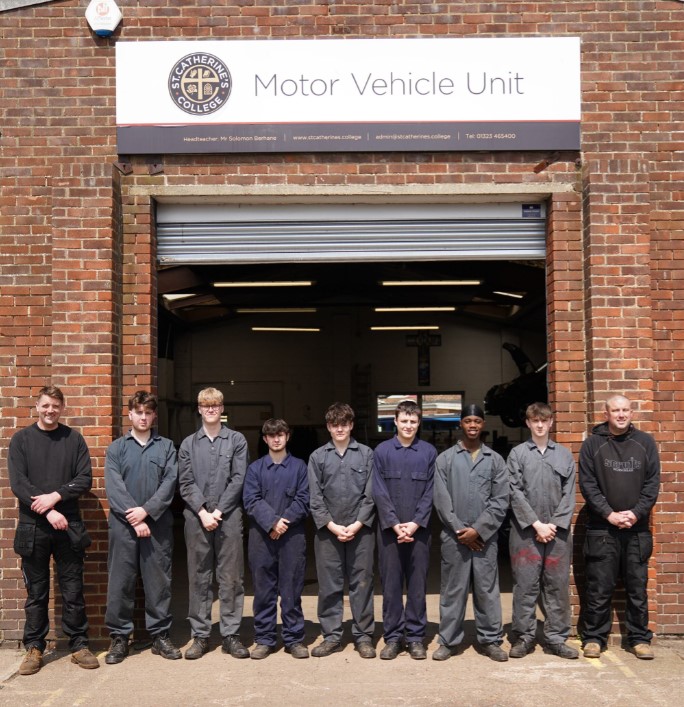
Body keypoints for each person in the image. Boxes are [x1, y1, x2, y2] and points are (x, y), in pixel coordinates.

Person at [8, 385, 100, 675]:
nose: (50, 411)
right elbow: (18, 484)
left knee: (73, 589)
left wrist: (56, 497)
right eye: (46, 405)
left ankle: (78, 645)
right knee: (36, 592)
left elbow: (84, 478)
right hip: (33, 526)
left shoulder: (73, 439)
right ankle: (35, 648)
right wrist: (48, 510)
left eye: (56, 406)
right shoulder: (21, 440)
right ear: (37, 406)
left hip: (68, 525)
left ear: (62, 408)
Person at [578, 394, 660, 660]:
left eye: (625, 410)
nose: (621, 414)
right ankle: (593, 638)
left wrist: (635, 514)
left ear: (632, 413)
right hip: (602, 530)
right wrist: (609, 514)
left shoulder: (646, 443)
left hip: (637, 530)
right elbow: (588, 485)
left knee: (637, 588)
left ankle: (639, 639)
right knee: (599, 587)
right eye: (616, 410)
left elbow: (652, 484)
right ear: (606, 414)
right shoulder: (592, 445)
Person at [103, 391, 181, 664]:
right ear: (130, 414)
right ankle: (120, 637)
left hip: (157, 526)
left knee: (159, 582)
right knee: (120, 581)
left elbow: (170, 484)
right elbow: (114, 488)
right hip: (123, 527)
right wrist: (135, 518)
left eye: (148, 413)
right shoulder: (116, 449)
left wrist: (147, 512)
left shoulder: (167, 447)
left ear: (154, 415)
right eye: (139, 412)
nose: (144, 417)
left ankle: (160, 635)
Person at [432, 404, 509, 662]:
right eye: (468, 421)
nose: (472, 425)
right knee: (453, 590)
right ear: (461, 424)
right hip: (454, 538)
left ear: (483, 424)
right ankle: (449, 640)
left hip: (485, 539)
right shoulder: (445, 459)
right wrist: (460, 530)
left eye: (477, 420)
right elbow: (441, 500)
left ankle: (490, 639)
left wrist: (478, 530)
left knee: (487, 590)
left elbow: (501, 500)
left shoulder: (495, 460)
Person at [178, 387, 250, 660]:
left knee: (231, 577)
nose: (210, 409)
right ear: (199, 409)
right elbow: (185, 482)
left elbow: (239, 478)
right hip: (196, 519)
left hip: (228, 517)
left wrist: (218, 511)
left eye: (215, 405)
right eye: (205, 405)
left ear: (222, 409)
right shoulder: (188, 444)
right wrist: (202, 511)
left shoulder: (236, 441)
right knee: (199, 577)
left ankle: (231, 634)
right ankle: (201, 635)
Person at [506, 402, 578, 659]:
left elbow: (569, 494)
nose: (539, 425)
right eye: (534, 421)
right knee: (525, 584)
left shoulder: (564, 455)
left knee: (556, 585)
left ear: (551, 423)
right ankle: (524, 636)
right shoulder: (517, 455)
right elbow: (513, 491)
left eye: (544, 421)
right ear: (528, 423)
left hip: (557, 533)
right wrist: (536, 524)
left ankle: (556, 638)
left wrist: (554, 525)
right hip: (526, 532)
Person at [308, 403, 376, 659]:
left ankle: (363, 636)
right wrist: (333, 526)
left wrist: (357, 524)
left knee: (362, 583)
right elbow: (315, 498)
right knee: (329, 585)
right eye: (335, 424)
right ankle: (332, 636)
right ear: (328, 427)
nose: (339, 429)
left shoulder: (367, 454)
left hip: (362, 531)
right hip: (328, 532)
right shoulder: (317, 457)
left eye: (344, 424)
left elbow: (371, 495)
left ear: (351, 425)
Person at [372, 400, 436, 660]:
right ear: (395, 422)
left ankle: (416, 637)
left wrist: (416, 522)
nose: (408, 425)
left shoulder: (429, 452)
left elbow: (431, 491)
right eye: (404, 421)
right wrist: (394, 523)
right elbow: (379, 490)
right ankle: (393, 638)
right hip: (389, 531)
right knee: (391, 585)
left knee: (418, 585)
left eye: (413, 421)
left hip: (419, 531)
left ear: (418, 423)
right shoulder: (382, 451)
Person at [243, 419, 310, 660]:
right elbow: (250, 500)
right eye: (271, 435)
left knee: (291, 588)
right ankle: (264, 639)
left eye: (280, 434)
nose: (276, 439)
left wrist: (283, 523)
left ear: (287, 436)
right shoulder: (255, 469)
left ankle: (294, 639)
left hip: (292, 536)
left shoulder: (300, 467)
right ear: (264, 439)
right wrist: (273, 522)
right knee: (263, 590)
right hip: (261, 537)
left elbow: (304, 500)